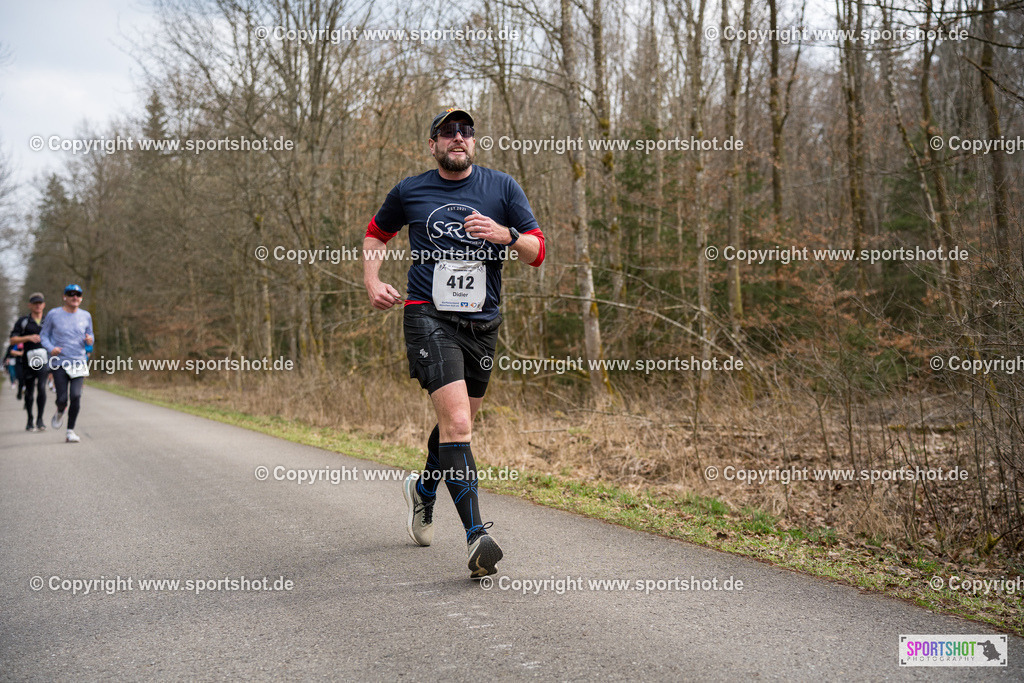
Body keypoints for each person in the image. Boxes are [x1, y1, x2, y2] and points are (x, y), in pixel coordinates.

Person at [363, 107, 545, 578]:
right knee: (459, 420)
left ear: (473, 141)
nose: (458, 138)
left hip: (482, 324)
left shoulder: (502, 188)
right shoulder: (410, 190)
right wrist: (371, 280)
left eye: (465, 131)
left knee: (456, 426)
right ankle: (476, 537)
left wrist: (507, 235)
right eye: (448, 132)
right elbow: (375, 235)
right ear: (433, 144)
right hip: (427, 315)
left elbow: (538, 251)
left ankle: (424, 490)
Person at [40, 284, 93, 443]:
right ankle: (60, 410)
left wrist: (90, 340)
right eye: (71, 294)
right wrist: (51, 348)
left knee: (76, 396)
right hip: (60, 362)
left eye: (78, 294)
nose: (74, 297)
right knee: (62, 398)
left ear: (81, 298)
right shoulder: (53, 314)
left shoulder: (86, 315)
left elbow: (90, 335)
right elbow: (44, 336)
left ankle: (70, 431)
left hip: (78, 361)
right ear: (64, 297)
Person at [9, 292, 49, 431]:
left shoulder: (48, 321)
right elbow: (12, 340)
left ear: (43, 305)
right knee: (30, 391)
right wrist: (28, 338)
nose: (38, 305)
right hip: (27, 361)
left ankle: (40, 420)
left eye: (40, 303)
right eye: (35, 303)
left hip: (44, 360)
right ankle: (30, 419)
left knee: (42, 388)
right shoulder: (23, 322)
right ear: (30, 305)